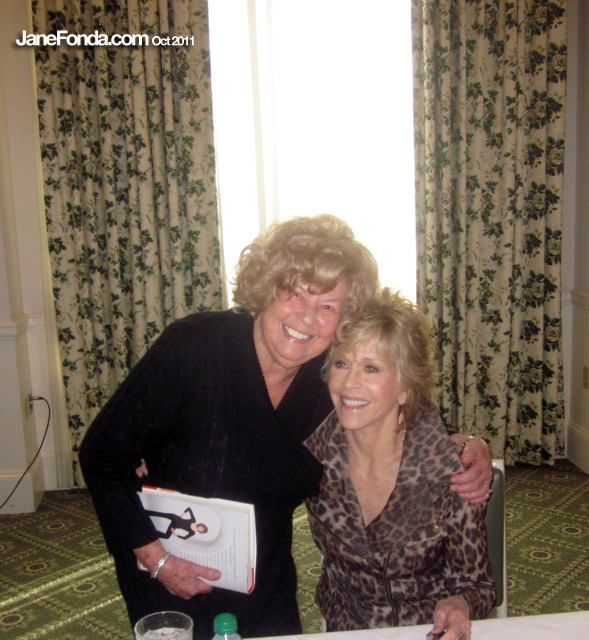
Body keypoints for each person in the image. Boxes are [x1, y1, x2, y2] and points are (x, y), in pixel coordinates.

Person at [79, 214, 492, 638]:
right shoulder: (194, 347)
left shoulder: (329, 378)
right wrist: (156, 560)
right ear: (266, 287)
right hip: (167, 563)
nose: (307, 317)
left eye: (327, 306)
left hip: (263, 579)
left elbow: (400, 408)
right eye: (295, 293)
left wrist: (471, 446)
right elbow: (101, 455)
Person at [304, 288, 496, 640]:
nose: (349, 383)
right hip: (344, 630)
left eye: (371, 368)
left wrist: (461, 603)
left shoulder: (448, 474)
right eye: (342, 364)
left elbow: (479, 586)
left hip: (425, 631)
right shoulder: (313, 458)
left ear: (405, 388)